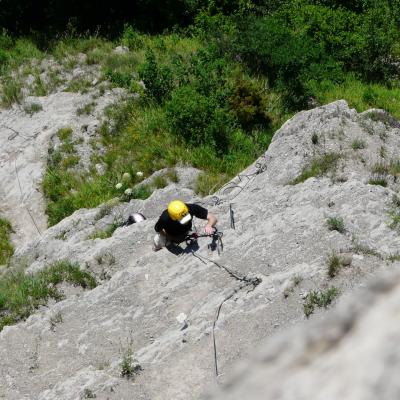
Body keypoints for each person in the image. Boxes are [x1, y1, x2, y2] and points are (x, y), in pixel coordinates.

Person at [153, 200, 217, 251]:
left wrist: (209, 225)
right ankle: (157, 247)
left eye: (186, 216)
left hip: (185, 232)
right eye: (182, 219)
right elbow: (158, 229)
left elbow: (212, 217)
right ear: (173, 217)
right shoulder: (165, 218)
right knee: (156, 239)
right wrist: (167, 236)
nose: (185, 220)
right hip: (171, 235)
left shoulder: (190, 208)